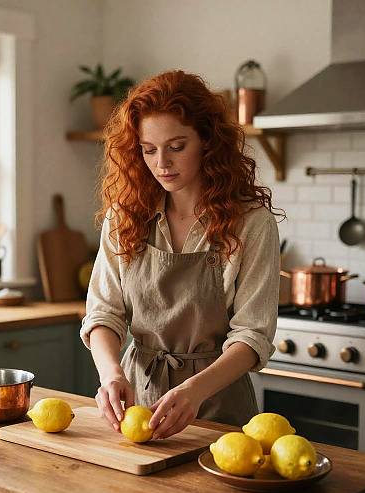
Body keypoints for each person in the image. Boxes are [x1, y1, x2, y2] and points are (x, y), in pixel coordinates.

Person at [80, 69, 282, 440]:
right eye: (148, 149)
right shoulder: (124, 216)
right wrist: (111, 374)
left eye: (177, 147)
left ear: (207, 140)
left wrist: (195, 390)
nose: (162, 164)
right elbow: (104, 313)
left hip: (218, 407)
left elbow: (252, 336)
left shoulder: (252, 223)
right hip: (136, 405)